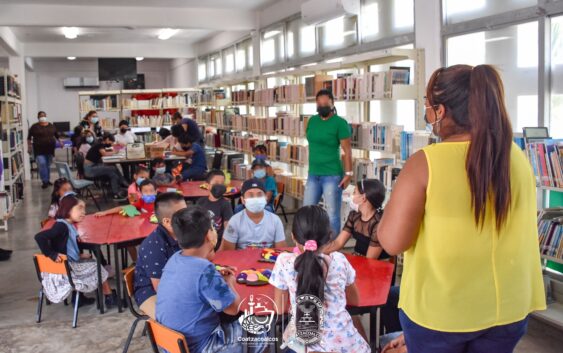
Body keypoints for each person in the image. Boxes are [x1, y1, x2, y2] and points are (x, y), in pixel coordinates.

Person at [378, 65, 546, 353]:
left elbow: (392, 242)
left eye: (428, 107)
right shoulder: (516, 157)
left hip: (441, 313)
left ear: (441, 111)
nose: (427, 114)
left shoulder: (425, 163)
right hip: (508, 309)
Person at [157, 206, 265, 353]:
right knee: (261, 329)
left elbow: (193, 281)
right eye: (213, 228)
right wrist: (229, 283)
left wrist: (213, 274)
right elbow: (233, 309)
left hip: (170, 345)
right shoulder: (204, 270)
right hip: (200, 347)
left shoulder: (175, 259)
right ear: (209, 235)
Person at [269, 205, 370, 353]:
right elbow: (355, 300)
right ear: (329, 236)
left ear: (293, 236)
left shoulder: (284, 262)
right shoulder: (339, 260)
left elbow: (279, 307)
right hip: (349, 346)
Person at [34, 195, 117, 308]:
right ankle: (109, 296)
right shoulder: (61, 226)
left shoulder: (68, 224)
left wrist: (79, 254)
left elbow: (64, 245)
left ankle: (78, 298)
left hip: (68, 266)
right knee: (97, 266)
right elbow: (39, 237)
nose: (83, 212)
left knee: (89, 261)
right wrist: (51, 254)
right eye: (79, 208)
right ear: (68, 209)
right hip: (66, 270)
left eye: (84, 208)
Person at [304, 89, 353, 234]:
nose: (322, 106)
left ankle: (332, 249)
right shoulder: (312, 121)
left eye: (326, 103)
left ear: (332, 103)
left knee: (332, 215)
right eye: (320, 103)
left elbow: (347, 150)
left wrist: (348, 173)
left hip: (332, 175)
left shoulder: (340, 123)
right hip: (313, 174)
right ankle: (308, 244)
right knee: (307, 212)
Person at [133, 192, 187, 319]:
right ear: (167, 222)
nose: (188, 217)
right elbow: (161, 289)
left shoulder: (185, 233)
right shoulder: (153, 245)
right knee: (176, 319)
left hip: (179, 282)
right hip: (150, 291)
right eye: (183, 215)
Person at [323, 179, 388, 259]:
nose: (352, 195)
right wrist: (316, 251)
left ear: (363, 198)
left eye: (354, 192)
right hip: (359, 258)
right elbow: (338, 243)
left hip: (376, 265)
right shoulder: (354, 215)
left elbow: (370, 260)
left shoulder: (378, 223)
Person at [221, 179, 286, 250]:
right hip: (241, 260)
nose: (255, 198)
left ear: (265, 198)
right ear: (243, 200)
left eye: (259, 194)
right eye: (251, 195)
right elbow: (228, 253)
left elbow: (281, 251)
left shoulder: (275, 221)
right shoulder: (234, 221)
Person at [196, 170, 233, 251]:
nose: (219, 186)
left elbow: (228, 229)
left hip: (218, 244)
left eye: (222, 183)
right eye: (216, 183)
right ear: (207, 185)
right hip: (202, 242)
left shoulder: (225, 204)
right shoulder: (200, 202)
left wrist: (222, 248)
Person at [84, 133, 128, 200]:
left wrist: (119, 144)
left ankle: (117, 191)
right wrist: (115, 152)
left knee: (113, 174)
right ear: (107, 139)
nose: (111, 143)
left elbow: (116, 145)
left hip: (93, 166)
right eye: (111, 141)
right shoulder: (99, 144)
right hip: (90, 169)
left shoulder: (101, 144)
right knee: (112, 168)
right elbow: (104, 154)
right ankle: (123, 184)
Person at [28, 111, 62, 189]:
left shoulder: (51, 126)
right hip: (39, 149)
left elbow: (56, 135)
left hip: (50, 149)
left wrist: (60, 142)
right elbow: (29, 138)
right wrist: (29, 147)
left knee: (47, 165)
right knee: (42, 164)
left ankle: (47, 180)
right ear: (38, 117)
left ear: (46, 116)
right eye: (41, 116)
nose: (42, 117)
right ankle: (44, 181)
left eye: (44, 115)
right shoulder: (34, 127)